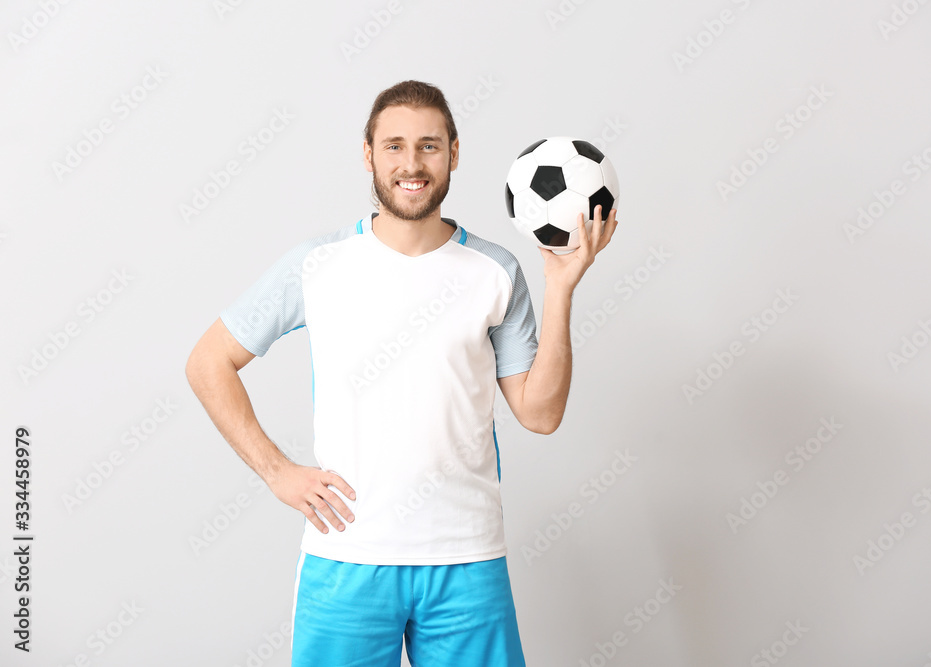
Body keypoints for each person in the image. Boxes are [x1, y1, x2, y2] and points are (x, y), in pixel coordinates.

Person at [185, 79, 618, 667]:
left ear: (454, 153)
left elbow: (540, 415)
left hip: (467, 559)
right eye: (393, 146)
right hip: (348, 559)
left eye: (428, 146)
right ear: (368, 155)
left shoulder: (497, 270)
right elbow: (208, 362)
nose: (411, 164)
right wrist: (276, 472)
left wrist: (561, 288)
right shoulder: (317, 265)